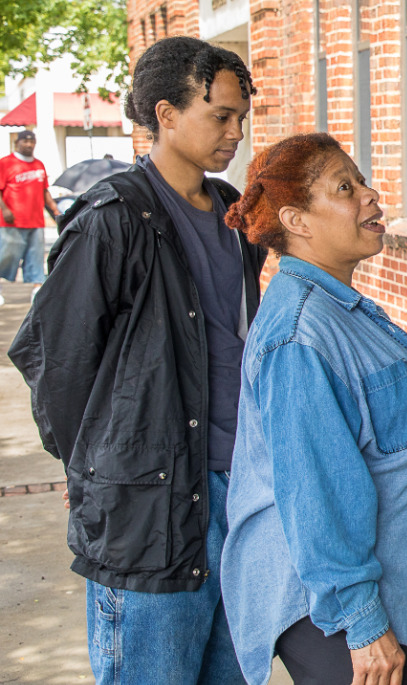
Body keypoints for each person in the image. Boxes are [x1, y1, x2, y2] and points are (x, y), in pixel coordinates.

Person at [8, 37, 262, 683]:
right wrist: (98, 471)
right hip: (150, 505)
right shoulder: (112, 218)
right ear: (165, 113)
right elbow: (56, 360)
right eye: (220, 115)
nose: (235, 132)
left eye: (241, 117)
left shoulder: (234, 212)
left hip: (241, 492)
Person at [220, 133, 407, 685]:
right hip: (329, 604)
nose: (371, 195)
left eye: (361, 181)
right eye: (345, 187)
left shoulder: (343, 309)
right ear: (298, 220)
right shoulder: (299, 334)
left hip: (365, 589)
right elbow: (317, 488)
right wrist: (361, 619)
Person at [0, 129, 59, 290]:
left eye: (31, 141)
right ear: (16, 143)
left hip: (36, 220)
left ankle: (37, 289)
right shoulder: (5, 163)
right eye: (25, 141)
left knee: (36, 257)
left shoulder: (39, 164)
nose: (28, 144)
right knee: (5, 257)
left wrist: (55, 209)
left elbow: (44, 190)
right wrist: (5, 210)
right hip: (11, 221)